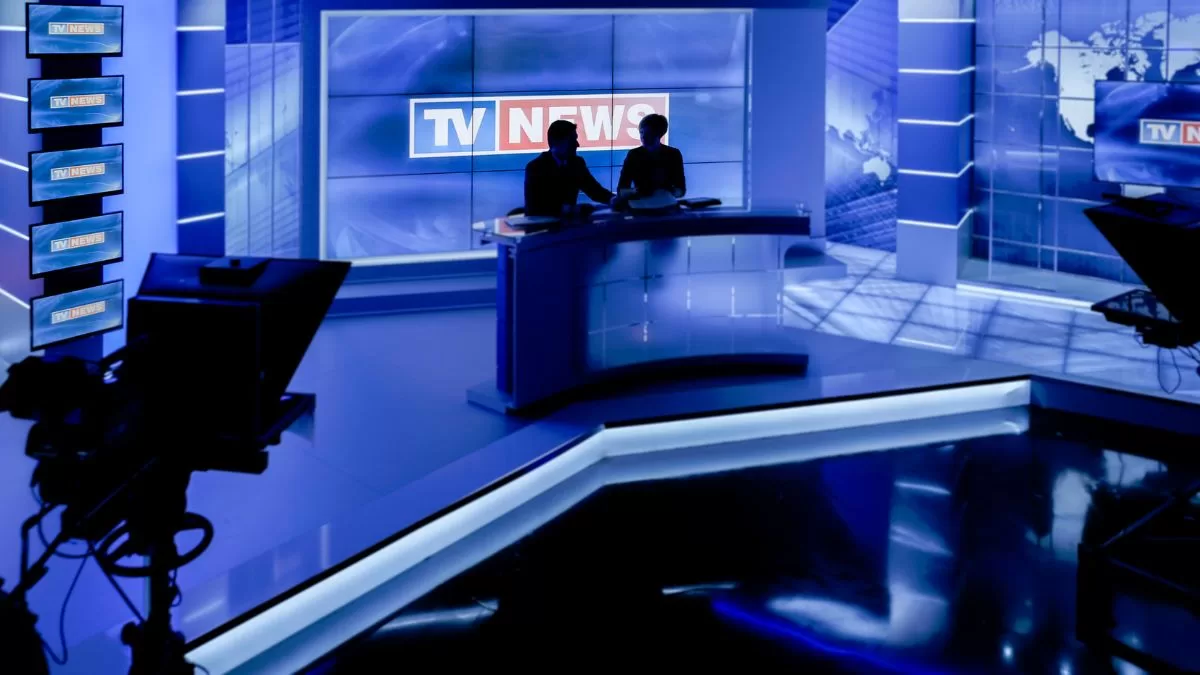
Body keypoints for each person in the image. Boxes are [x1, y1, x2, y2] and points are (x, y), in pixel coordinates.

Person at [523, 120, 615, 217]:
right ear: (556, 142)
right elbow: (533, 208)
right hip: (544, 225)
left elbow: (594, 190)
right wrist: (568, 209)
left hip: (571, 223)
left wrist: (612, 199)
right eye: (572, 140)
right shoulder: (535, 167)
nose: (577, 144)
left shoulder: (577, 163)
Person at [617, 113, 686, 199]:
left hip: (665, 202)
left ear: (659, 134)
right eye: (641, 132)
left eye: (648, 133)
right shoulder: (633, 154)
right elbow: (621, 190)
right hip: (641, 202)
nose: (643, 136)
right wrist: (636, 192)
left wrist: (670, 192)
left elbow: (681, 190)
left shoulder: (674, 154)